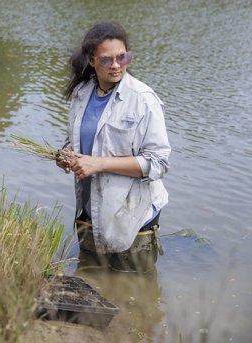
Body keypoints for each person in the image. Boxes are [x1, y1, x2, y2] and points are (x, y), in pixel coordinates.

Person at [57, 22, 171, 273]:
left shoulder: (143, 99)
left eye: (122, 57)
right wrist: (65, 154)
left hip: (133, 216)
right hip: (89, 209)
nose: (116, 65)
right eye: (107, 60)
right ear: (91, 60)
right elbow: (75, 141)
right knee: (90, 278)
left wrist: (97, 163)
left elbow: (159, 163)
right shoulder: (81, 93)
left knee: (137, 294)